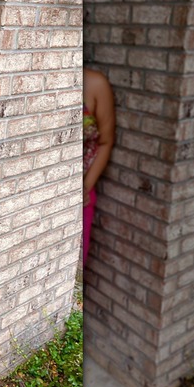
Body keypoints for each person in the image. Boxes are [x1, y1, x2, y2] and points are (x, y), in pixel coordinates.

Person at [82, 67, 115, 264]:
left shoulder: (94, 84)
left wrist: (85, 187)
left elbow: (105, 142)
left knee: (71, 279)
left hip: (80, 198)